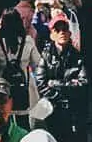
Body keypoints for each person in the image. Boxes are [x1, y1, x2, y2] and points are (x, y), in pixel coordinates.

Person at [34, 12, 88, 142]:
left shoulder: (77, 56)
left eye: (64, 29)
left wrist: (55, 84)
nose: (62, 33)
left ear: (70, 33)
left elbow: (83, 83)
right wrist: (62, 92)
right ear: (52, 35)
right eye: (57, 30)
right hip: (54, 111)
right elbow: (41, 84)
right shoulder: (46, 56)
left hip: (75, 111)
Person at [0, 10, 41, 123]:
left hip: (3, 88)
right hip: (24, 87)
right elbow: (37, 64)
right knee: (23, 121)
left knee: (4, 121)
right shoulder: (28, 41)